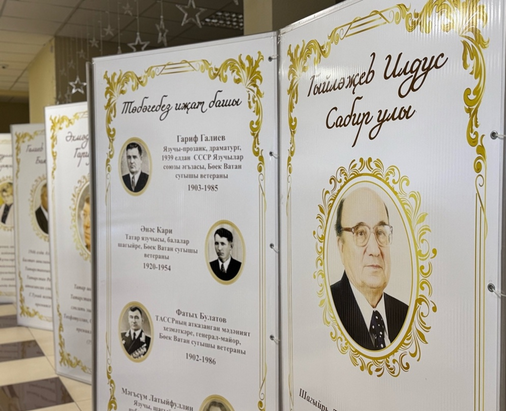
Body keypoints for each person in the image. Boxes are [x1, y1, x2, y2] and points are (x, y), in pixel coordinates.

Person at [331, 187, 408, 350]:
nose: (374, 250)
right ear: (341, 247)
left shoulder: (405, 316)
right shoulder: (328, 309)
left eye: (381, 232)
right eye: (360, 233)